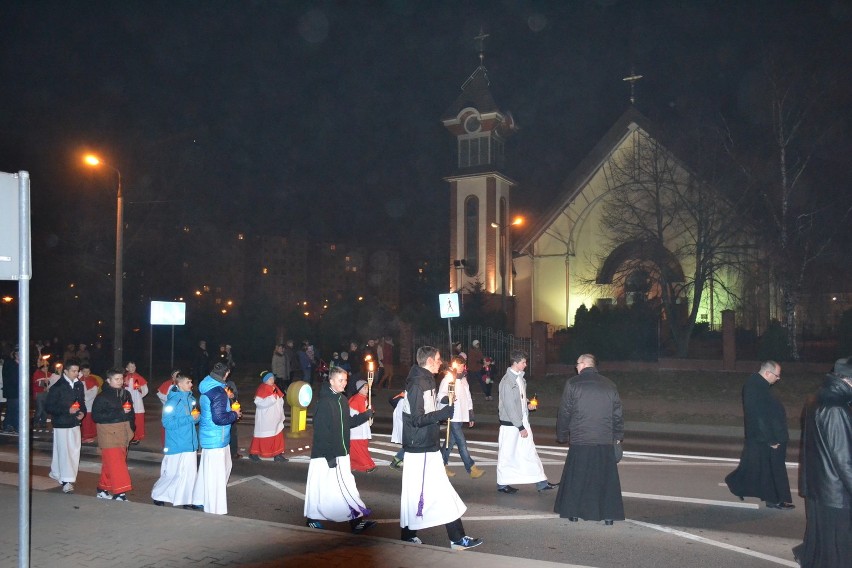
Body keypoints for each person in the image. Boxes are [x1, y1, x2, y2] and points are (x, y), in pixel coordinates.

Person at [400, 346, 482, 549]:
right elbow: (417, 419)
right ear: (429, 361)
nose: (440, 362)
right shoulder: (418, 384)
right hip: (421, 448)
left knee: (426, 491)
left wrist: (443, 404)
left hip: (426, 446)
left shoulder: (425, 380)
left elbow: (427, 409)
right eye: (437, 359)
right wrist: (442, 414)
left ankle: (411, 535)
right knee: (435, 491)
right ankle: (456, 538)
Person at [792, 357, 852, 567]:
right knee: (839, 549)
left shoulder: (817, 398)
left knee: (823, 545)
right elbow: (844, 460)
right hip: (835, 493)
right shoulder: (835, 408)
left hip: (819, 488)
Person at [304, 367, 377, 534]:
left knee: (346, 487)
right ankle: (312, 519)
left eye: (345, 380)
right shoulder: (324, 402)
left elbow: (348, 423)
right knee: (321, 488)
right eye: (340, 380)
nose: (344, 383)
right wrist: (330, 457)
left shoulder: (342, 400)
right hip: (327, 455)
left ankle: (356, 522)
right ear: (331, 381)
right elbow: (321, 432)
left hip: (342, 453)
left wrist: (366, 415)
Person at [554, 353, 625, 525]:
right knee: (605, 480)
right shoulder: (610, 385)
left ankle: (573, 513)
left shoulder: (573, 384)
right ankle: (608, 515)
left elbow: (565, 412)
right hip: (604, 439)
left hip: (581, 439)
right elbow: (617, 414)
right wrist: (617, 436)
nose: (575, 367)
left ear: (585, 364)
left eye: (577, 364)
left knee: (578, 477)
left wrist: (562, 435)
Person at [725, 360, 794, 509]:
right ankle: (775, 499)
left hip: (765, 436)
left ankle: (771, 498)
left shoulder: (758, 385)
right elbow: (758, 416)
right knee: (771, 468)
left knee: (760, 467)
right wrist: (771, 439)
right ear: (767, 373)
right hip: (766, 437)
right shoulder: (755, 387)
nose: (778, 378)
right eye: (777, 375)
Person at [496, 349, 558, 494]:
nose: (525, 365)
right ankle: (503, 484)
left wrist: (528, 404)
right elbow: (510, 406)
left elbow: (519, 400)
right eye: (523, 362)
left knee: (529, 452)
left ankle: (541, 482)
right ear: (516, 363)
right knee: (508, 455)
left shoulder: (519, 378)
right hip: (512, 426)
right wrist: (520, 426)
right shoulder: (507, 382)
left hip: (521, 423)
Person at [191, 362, 241, 514]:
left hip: (211, 436)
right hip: (216, 437)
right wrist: (234, 414)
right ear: (226, 374)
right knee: (217, 474)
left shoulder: (208, 385)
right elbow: (219, 418)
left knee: (209, 471)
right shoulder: (218, 391)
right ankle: (215, 508)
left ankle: (199, 499)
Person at [152, 372, 200, 508]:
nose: (191, 385)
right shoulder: (172, 401)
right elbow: (167, 423)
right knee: (172, 473)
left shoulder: (191, 399)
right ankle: (158, 494)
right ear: (179, 384)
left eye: (191, 382)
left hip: (190, 443)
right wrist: (190, 418)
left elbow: (193, 419)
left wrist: (197, 417)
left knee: (189, 474)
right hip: (176, 443)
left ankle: (185, 500)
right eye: (188, 382)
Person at [92, 368, 135, 501]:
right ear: (108, 380)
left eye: (121, 379)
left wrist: (132, 428)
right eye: (116, 379)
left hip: (123, 431)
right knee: (117, 464)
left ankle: (102, 489)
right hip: (109, 433)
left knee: (111, 463)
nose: (120, 381)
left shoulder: (126, 394)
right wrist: (120, 413)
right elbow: (96, 416)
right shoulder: (102, 397)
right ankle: (119, 493)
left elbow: (130, 412)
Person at [438, 356, 485, 479]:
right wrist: (448, 398)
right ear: (453, 365)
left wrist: (470, 414)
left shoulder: (463, 379)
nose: (460, 368)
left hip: (461, 415)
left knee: (449, 442)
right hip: (453, 416)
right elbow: (440, 396)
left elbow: (468, 397)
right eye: (458, 365)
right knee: (462, 443)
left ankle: (440, 465)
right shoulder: (448, 379)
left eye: (462, 365)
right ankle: (471, 468)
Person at [45, 358, 86, 493]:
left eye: (77, 371)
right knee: (65, 452)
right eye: (74, 371)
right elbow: (49, 407)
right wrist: (67, 410)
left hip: (74, 422)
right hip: (62, 424)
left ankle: (57, 472)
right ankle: (67, 481)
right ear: (66, 371)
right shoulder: (57, 387)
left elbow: (81, 401)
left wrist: (82, 412)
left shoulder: (79, 384)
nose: (77, 373)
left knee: (73, 450)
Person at [249, 372, 288, 462]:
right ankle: (254, 453)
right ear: (265, 380)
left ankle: (278, 454)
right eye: (270, 379)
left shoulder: (274, 387)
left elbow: (280, 399)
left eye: (272, 378)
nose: (272, 380)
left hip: (276, 417)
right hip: (266, 418)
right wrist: (272, 399)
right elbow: (258, 403)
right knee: (262, 435)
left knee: (277, 435)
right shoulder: (262, 388)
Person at [348, 379, 376, 473]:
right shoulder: (355, 400)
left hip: (362, 429)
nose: (366, 390)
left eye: (367, 387)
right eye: (364, 388)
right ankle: (367, 465)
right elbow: (352, 417)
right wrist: (365, 414)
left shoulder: (364, 398)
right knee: (359, 450)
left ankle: (357, 465)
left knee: (361, 448)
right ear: (359, 389)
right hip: (357, 430)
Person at [123, 361, 148, 445]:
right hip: (126, 401)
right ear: (127, 368)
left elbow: (145, 389)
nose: (132, 368)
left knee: (137, 419)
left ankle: (137, 436)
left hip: (137, 400)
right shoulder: (123, 377)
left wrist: (140, 388)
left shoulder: (139, 377)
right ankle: (127, 436)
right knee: (127, 419)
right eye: (130, 366)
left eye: (134, 366)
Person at [79, 364, 101, 443]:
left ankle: (89, 435)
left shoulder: (93, 380)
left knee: (88, 419)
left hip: (89, 403)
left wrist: (85, 398)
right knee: (82, 420)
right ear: (81, 371)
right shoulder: (79, 379)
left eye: (87, 371)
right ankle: (83, 435)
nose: (86, 373)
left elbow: (94, 391)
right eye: (84, 371)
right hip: (81, 403)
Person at [1, 347, 20, 433]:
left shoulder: (19, 363)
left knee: (11, 409)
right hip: (12, 390)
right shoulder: (10, 363)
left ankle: (8, 425)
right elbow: (12, 378)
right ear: (15, 354)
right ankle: (15, 425)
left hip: (17, 390)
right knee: (14, 408)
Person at [32, 356, 52, 431]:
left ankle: (43, 422)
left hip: (47, 394)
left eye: (47, 367)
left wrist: (49, 384)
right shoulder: (37, 374)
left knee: (45, 410)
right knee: (40, 409)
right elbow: (36, 382)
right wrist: (44, 384)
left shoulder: (49, 374)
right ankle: (35, 422)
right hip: (39, 394)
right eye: (44, 367)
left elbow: (52, 382)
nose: (46, 369)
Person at [388, 390, 405, 470]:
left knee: (409, 446)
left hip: (406, 427)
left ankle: (396, 461)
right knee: (409, 446)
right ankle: (395, 461)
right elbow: (402, 416)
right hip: (406, 427)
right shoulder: (402, 401)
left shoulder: (404, 400)